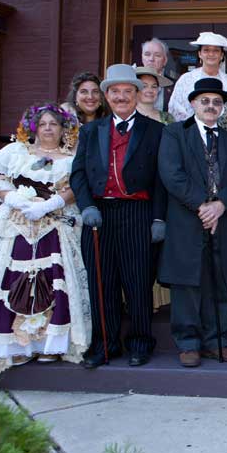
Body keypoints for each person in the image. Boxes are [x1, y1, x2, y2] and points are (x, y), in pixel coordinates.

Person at [0, 104, 90, 390]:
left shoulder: (71, 158)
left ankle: (49, 344)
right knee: (14, 280)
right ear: (34, 127)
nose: (48, 128)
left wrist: (53, 203)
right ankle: (18, 346)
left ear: (63, 129)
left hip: (54, 226)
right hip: (19, 227)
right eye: (43, 124)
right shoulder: (16, 154)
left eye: (54, 124)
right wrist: (14, 200)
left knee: (54, 280)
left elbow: (77, 186)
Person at [70, 64, 167, 368]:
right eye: (115, 92)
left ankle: (140, 343)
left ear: (138, 96)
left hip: (137, 211)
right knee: (102, 282)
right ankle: (105, 345)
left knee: (138, 282)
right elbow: (78, 174)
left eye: (128, 91)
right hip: (99, 213)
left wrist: (158, 219)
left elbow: (162, 180)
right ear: (106, 96)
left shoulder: (156, 131)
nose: (122, 97)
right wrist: (86, 206)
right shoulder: (90, 130)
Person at [158, 78, 227, 367]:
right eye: (205, 101)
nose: (211, 106)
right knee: (187, 284)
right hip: (187, 219)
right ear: (193, 104)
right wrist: (203, 205)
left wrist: (221, 205)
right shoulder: (175, 134)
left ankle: (216, 340)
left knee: (218, 282)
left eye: (217, 102)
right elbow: (172, 174)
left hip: (221, 220)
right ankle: (188, 343)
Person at [135, 66, 175, 313]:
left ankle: (155, 300)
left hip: (161, 188)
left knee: (156, 245)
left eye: (153, 87)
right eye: (144, 86)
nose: (149, 91)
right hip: (134, 190)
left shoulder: (167, 119)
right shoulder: (126, 116)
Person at [168, 31, 227, 121]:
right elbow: (176, 108)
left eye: (216, 50)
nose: (211, 54)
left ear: (221, 55)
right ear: (200, 54)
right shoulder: (186, 79)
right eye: (206, 50)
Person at [139, 38, 176, 111]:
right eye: (147, 54)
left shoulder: (173, 86)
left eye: (157, 55)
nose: (151, 59)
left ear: (165, 60)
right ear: (142, 58)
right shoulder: (132, 81)